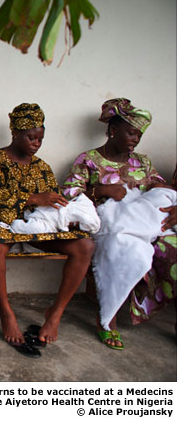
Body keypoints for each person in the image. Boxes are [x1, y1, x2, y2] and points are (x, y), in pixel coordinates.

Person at [0, 103, 94, 356]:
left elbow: (53, 200)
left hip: (38, 224)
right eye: (31, 137)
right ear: (15, 133)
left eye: (40, 138)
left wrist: (66, 215)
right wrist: (32, 198)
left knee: (85, 245)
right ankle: (6, 310)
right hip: (1, 221)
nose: (36, 143)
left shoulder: (42, 167)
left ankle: (55, 312)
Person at [62, 98, 177, 350]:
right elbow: (69, 193)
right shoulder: (89, 159)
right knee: (122, 248)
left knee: (175, 248)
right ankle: (107, 319)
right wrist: (101, 189)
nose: (136, 139)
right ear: (113, 130)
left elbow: (161, 189)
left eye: (139, 135)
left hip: (147, 222)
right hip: (110, 224)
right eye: (132, 133)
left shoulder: (143, 162)